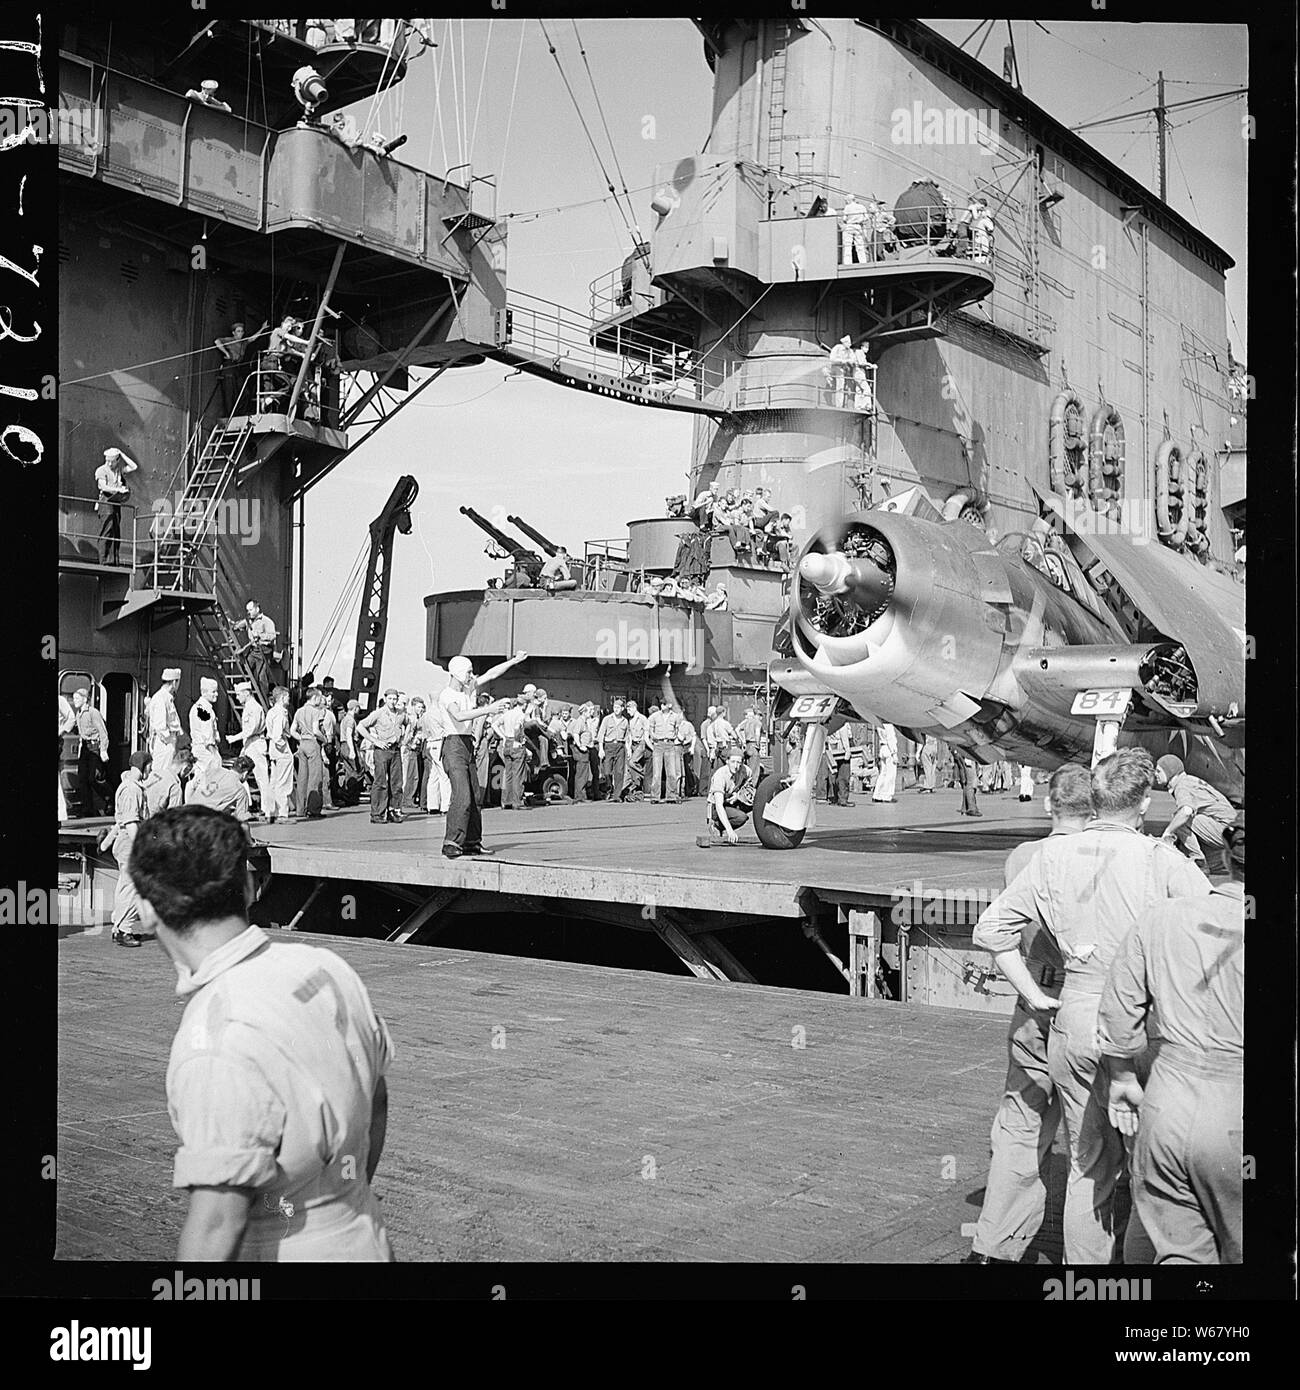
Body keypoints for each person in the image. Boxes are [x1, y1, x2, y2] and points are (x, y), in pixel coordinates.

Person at [972, 749, 1211, 1264]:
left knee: (1087, 1165)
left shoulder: (1049, 858)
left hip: (1071, 1016)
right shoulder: (1161, 860)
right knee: (1154, 1166)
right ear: (1144, 803)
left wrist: (1035, 994)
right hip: (1143, 1024)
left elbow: (990, 930)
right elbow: (1218, 932)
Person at [129, 805, 395, 1260]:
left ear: (148, 910)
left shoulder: (214, 1036)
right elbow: (377, 1099)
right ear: (249, 887)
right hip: (364, 1238)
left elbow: (218, 1223)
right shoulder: (325, 967)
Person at [1100, 812, 1245, 1265]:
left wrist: (1122, 1076)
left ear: (1224, 855)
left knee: (1179, 1254)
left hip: (1166, 1104)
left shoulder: (1161, 916)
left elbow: (1119, 1011)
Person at [965, 763, 1092, 1264]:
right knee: (1090, 1144)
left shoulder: (1022, 856)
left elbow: (1004, 928)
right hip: (1085, 1002)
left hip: (1031, 999)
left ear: (1048, 805)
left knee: (1019, 1127)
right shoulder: (1103, 859)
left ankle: (993, 1250)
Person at [438, 652, 528, 858]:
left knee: (475, 797)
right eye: (468, 672)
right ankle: (451, 842)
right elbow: (459, 716)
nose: (472, 676)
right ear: (458, 673)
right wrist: (489, 709)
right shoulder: (448, 695)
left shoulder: (468, 688)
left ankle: (472, 843)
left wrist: (514, 661)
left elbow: (491, 673)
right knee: (462, 795)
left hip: (467, 744)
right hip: (453, 744)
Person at [101, 750, 151, 946]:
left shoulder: (127, 786)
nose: (151, 769)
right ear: (144, 766)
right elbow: (130, 822)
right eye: (150, 765)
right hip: (130, 845)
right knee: (134, 888)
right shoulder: (132, 789)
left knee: (125, 887)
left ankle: (118, 927)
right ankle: (124, 930)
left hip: (123, 844)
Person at [1153, 754, 1236, 868]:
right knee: (1182, 818)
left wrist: (1167, 832)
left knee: (1180, 818)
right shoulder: (1189, 780)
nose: (1155, 774)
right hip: (1233, 830)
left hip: (1228, 831)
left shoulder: (1182, 786)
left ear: (1169, 771)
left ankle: (1198, 861)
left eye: (1158, 771)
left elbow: (1186, 811)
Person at [357, 688, 407, 824]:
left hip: (395, 750)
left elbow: (408, 724)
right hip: (382, 750)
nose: (392, 701)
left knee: (396, 783)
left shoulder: (401, 714)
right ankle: (377, 813)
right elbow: (360, 726)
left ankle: (394, 810)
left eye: (395, 699)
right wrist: (375, 741)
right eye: (390, 699)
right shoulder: (378, 713)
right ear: (385, 699)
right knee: (380, 782)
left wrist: (404, 738)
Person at [227, 680, 272, 821]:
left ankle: (268, 810)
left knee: (261, 778)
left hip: (256, 745)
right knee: (239, 775)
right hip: (249, 745)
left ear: (246, 693)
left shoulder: (254, 708)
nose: (237, 698)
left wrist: (233, 738)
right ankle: (242, 807)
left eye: (239, 695)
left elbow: (250, 729)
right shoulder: (249, 707)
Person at [696, 746, 753, 848]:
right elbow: (719, 805)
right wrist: (730, 831)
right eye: (733, 762)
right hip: (716, 806)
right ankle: (716, 825)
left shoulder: (746, 771)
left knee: (753, 801)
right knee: (741, 817)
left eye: (739, 762)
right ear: (727, 761)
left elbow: (749, 787)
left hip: (732, 800)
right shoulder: (720, 775)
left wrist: (739, 795)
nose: (736, 766)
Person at [70, 687, 111, 818]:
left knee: (94, 778)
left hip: (95, 747)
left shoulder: (93, 713)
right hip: (85, 749)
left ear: (84, 699)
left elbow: (103, 732)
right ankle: (88, 809)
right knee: (83, 779)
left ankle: (111, 800)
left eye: (77, 698)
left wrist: (103, 750)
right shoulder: (79, 713)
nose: (74, 701)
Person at [95, 447, 138, 567]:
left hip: (115, 502)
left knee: (115, 532)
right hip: (106, 502)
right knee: (106, 531)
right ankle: (103, 561)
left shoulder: (118, 470)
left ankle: (113, 561)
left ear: (117, 460)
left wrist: (122, 453)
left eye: (112, 461)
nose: (109, 463)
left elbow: (134, 466)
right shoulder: (101, 470)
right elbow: (103, 487)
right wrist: (118, 489)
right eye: (107, 460)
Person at [290, 688, 327, 819]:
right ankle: (313, 809)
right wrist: (324, 739)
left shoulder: (299, 711)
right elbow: (316, 731)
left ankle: (300, 809)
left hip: (302, 745)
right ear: (315, 698)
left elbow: (292, 730)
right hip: (312, 743)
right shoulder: (316, 712)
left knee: (302, 778)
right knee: (315, 777)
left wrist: (301, 738)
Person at [492, 696, 532, 811]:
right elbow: (517, 728)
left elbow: (495, 725)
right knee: (517, 774)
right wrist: (517, 740)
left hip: (507, 744)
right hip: (516, 744)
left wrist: (503, 737)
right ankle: (517, 802)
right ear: (524, 705)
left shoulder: (507, 713)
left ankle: (506, 801)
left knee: (508, 773)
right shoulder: (520, 715)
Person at [186, 755, 254, 822]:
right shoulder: (240, 790)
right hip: (204, 820)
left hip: (186, 812)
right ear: (245, 773)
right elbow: (241, 818)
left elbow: (190, 786)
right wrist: (250, 815)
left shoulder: (213, 770)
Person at [234, 601, 280, 695]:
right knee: (245, 670)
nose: (248, 612)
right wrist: (231, 623)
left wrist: (260, 635)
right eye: (247, 610)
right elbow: (237, 626)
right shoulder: (248, 621)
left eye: (250, 610)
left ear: (257, 609)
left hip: (264, 651)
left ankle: (264, 700)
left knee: (261, 677)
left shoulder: (267, 621)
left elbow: (272, 636)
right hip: (253, 650)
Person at [146, 669, 184, 779]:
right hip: (164, 744)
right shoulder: (160, 698)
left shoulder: (167, 698)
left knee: (167, 775)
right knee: (161, 775)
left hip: (169, 741)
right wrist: (169, 742)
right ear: (174, 683)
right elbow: (160, 726)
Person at [264, 686, 294, 823]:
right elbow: (277, 735)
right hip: (281, 750)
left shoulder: (271, 712)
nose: (288, 699)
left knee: (274, 782)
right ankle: (283, 813)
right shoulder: (281, 713)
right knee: (283, 783)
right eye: (287, 696)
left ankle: (271, 812)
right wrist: (284, 748)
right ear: (282, 698)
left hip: (273, 750)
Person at [646, 701, 683, 804]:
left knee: (671, 772)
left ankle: (671, 796)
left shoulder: (675, 717)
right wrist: (653, 737)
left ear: (669, 705)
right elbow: (650, 728)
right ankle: (655, 797)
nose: (662, 706)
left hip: (670, 744)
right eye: (661, 704)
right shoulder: (654, 716)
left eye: (664, 704)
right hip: (658, 744)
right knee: (656, 773)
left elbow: (678, 728)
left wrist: (675, 738)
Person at [596, 697, 629, 802]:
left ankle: (617, 795)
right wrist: (601, 749)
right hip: (609, 746)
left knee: (619, 772)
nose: (616, 709)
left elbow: (627, 737)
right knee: (607, 771)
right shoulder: (607, 719)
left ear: (622, 708)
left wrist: (628, 750)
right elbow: (601, 734)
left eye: (618, 707)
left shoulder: (625, 721)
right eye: (615, 707)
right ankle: (609, 789)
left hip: (620, 746)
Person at [189, 677, 222, 777]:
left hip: (200, 750)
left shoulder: (200, 706)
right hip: (205, 751)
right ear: (204, 692)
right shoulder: (204, 710)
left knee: (199, 780)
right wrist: (215, 756)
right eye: (213, 692)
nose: (216, 694)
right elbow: (207, 737)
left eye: (216, 691)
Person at [142, 749, 185, 818]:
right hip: (155, 824)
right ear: (186, 768)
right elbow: (173, 817)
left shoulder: (153, 774)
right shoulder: (175, 786)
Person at [623, 699, 649, 801]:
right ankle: (636, 785)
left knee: (632, 762)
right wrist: (629, 748)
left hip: (641, 743)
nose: (628, 712)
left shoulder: (642, 719)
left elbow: (646, 734)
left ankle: (644, 776)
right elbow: (629, 735)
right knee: (633, 766)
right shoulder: (631, 720)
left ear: (634, 708)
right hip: (633, 744)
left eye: (629, 709)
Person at [824, 725, 853, 805]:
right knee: (843, 776)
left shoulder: (832, 723)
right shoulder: (842, 724)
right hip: (842, 749)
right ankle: (843, 799)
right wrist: (848, 751)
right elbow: (844, 736)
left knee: (834, 775)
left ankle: (835, 797)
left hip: (833, 747)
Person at [951, 745, 981, 817]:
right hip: (967, 757)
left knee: (967, 783)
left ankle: (965, 807)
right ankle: (971, 808)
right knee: (970, 784)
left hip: (965, 755)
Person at [872, 723, 899, 802]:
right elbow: (891, 739)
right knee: (891, 774)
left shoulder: (879, 725)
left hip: (882, 748)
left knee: (883, 773)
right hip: (889, 749)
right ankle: (887, 795)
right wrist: (894, 753)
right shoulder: (889, 726)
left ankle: (877, 794)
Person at [676, 712, 700, 798]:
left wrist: (692, 748)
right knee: (680, 770)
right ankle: (681, 791)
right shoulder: (674, 724)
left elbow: (693, 736)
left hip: (687, 748)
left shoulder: (688, 725)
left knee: (688, 769)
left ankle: (690, 788)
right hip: (677, 748)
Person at [840, 195, 870, 264]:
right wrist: (860, 220)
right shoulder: (861, 207)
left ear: (848, 200)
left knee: (847, 245)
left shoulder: (847, 207)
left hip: (849, 227)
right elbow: (866, 218)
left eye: (846, 201)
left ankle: (847, 263)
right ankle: (863, 261)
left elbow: (844, 219)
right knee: (860, 246)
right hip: (858, 226)